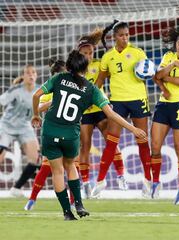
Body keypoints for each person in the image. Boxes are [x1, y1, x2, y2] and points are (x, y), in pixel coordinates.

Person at [31, 50, 146, 220]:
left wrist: (35, 115)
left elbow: (36, 95)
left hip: (50, 131)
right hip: (70, 134)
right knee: (71, 166)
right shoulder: (91, 89)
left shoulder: (58, 78)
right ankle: (78, 203)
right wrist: (133, 129)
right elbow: (111, 114)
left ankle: (67, 213)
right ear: (85, 69)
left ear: (68, 66)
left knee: (57, 172)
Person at [92, 21, 152, 198]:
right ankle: (100, 181)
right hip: (117, 103)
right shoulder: (107, 57)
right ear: (114, 37)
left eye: (127, 35)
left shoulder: (138, 53)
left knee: (142, 140)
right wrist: (91, 97)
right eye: (121, 35)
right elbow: (99, 82)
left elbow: (147, 73)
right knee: (111, 142)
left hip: (138, 100)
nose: (125, 38)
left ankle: (148, 182)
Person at [76, 28, 128, 198]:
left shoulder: (99, 64)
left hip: (101, 109)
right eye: (85, 53)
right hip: (84, 112)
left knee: (111, 141)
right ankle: (85, 182)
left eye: (90, 52)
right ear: (79, 53)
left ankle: (121, 175)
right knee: (85, 146)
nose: (88, 56)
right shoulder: (73, 71)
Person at [150, 29, 179, 204]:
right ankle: (155, 182)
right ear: (175, 45)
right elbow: (157, 77)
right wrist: (172, 67)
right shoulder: (168, 56)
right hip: (164, 104)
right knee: (154, 145)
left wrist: (165, 78)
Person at [24, 59, 67, 211]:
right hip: (51, 132)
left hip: (69, 131)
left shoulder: (71, 88)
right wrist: (54, 101)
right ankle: (32, 199)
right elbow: (39, 106)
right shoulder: (49, 89)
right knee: (46, 167)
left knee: (72, 166)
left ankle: (75, 202)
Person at [0, 64, 40, 197]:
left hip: (24, 127)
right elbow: (2, 101)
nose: (31, 75)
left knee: (35, 159)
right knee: (1, 155)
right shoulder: (16, 90)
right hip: (7, 126)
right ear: (23, 76)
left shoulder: (40, 91)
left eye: (33, 72)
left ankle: (16, 188)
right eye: (27, 73)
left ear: (36, 75)